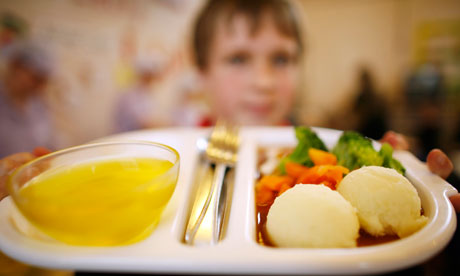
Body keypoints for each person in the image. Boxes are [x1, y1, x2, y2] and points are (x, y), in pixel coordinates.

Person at [0, 41, 55, 158]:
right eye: (35, 78)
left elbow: (48, 142)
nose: (39, 86)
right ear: (15, 66)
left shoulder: (38, 106)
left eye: (43, 81)